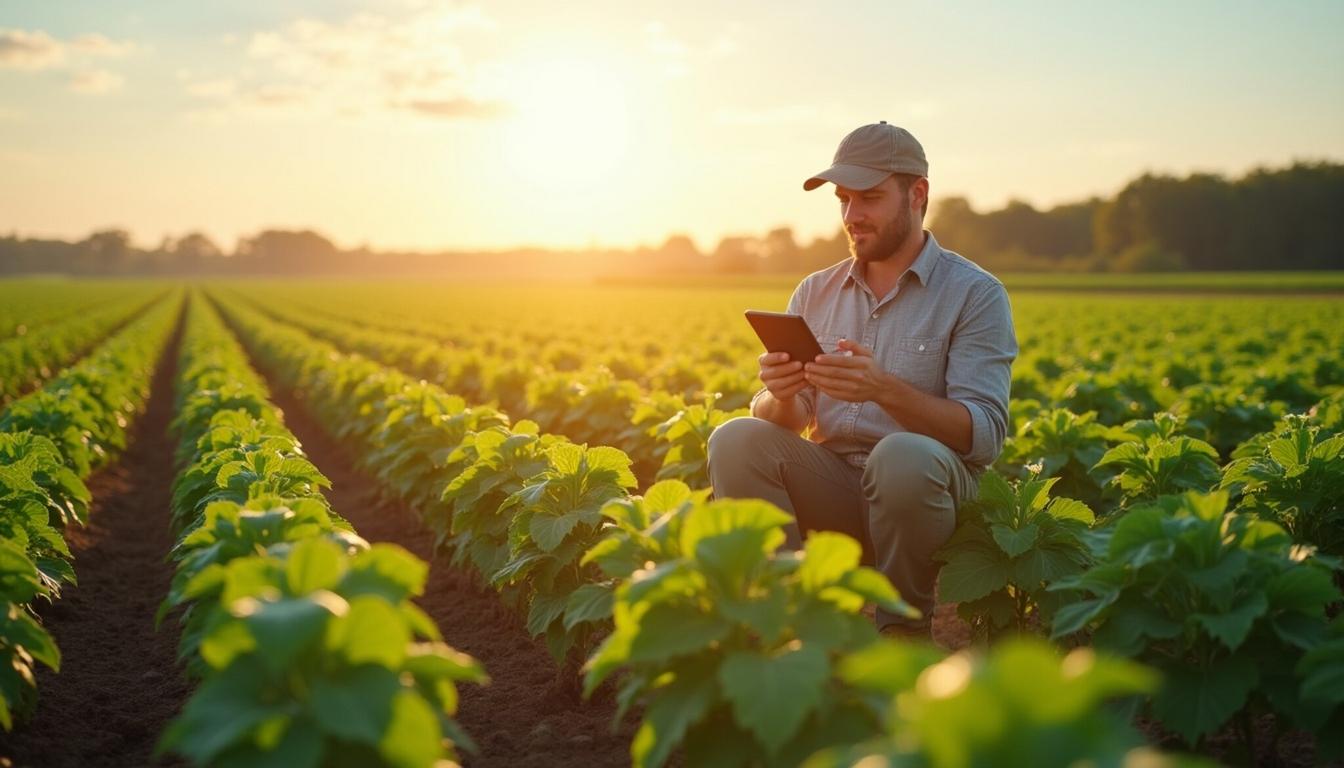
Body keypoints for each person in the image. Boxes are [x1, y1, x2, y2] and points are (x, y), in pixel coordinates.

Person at [706, 122, 1017, 640]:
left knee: (901, 457)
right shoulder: (815, 290)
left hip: (927, 494)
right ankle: (785, 629)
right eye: (844, 200)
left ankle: (901, 636)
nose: (852, 216)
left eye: (869, 198)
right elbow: (791, 418)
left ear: (917, 195)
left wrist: (881, 389)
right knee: (736, 437)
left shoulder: (975, 294)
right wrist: (780, 395)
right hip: (837, 484)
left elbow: (982, 435)